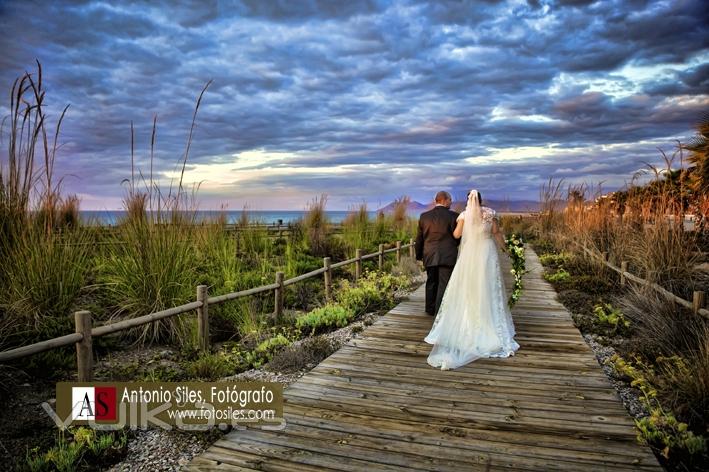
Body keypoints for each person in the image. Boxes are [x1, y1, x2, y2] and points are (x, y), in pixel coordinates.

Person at [424, 189, 519, 370]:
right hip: (487, 253)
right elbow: (497, 233)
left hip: (469, 255)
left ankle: (468, 321)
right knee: (489, 286)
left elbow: (457, 235)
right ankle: (488, 322)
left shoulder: (464, 215)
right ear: (481, 200)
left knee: (468, 287)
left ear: (469, 201)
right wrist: (507, 249)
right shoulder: (490, 213)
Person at [415, 191, 460, 317]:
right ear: (445, 200)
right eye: (450, 200)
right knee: (444, 283)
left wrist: (418, 255)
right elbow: (457, 237)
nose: (451, 202)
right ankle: (440, 312)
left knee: (431, 282)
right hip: (448, 255)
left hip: (429, 254)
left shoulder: (424, 216)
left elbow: (419, 239)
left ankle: (430, 309)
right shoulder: (454, 216)